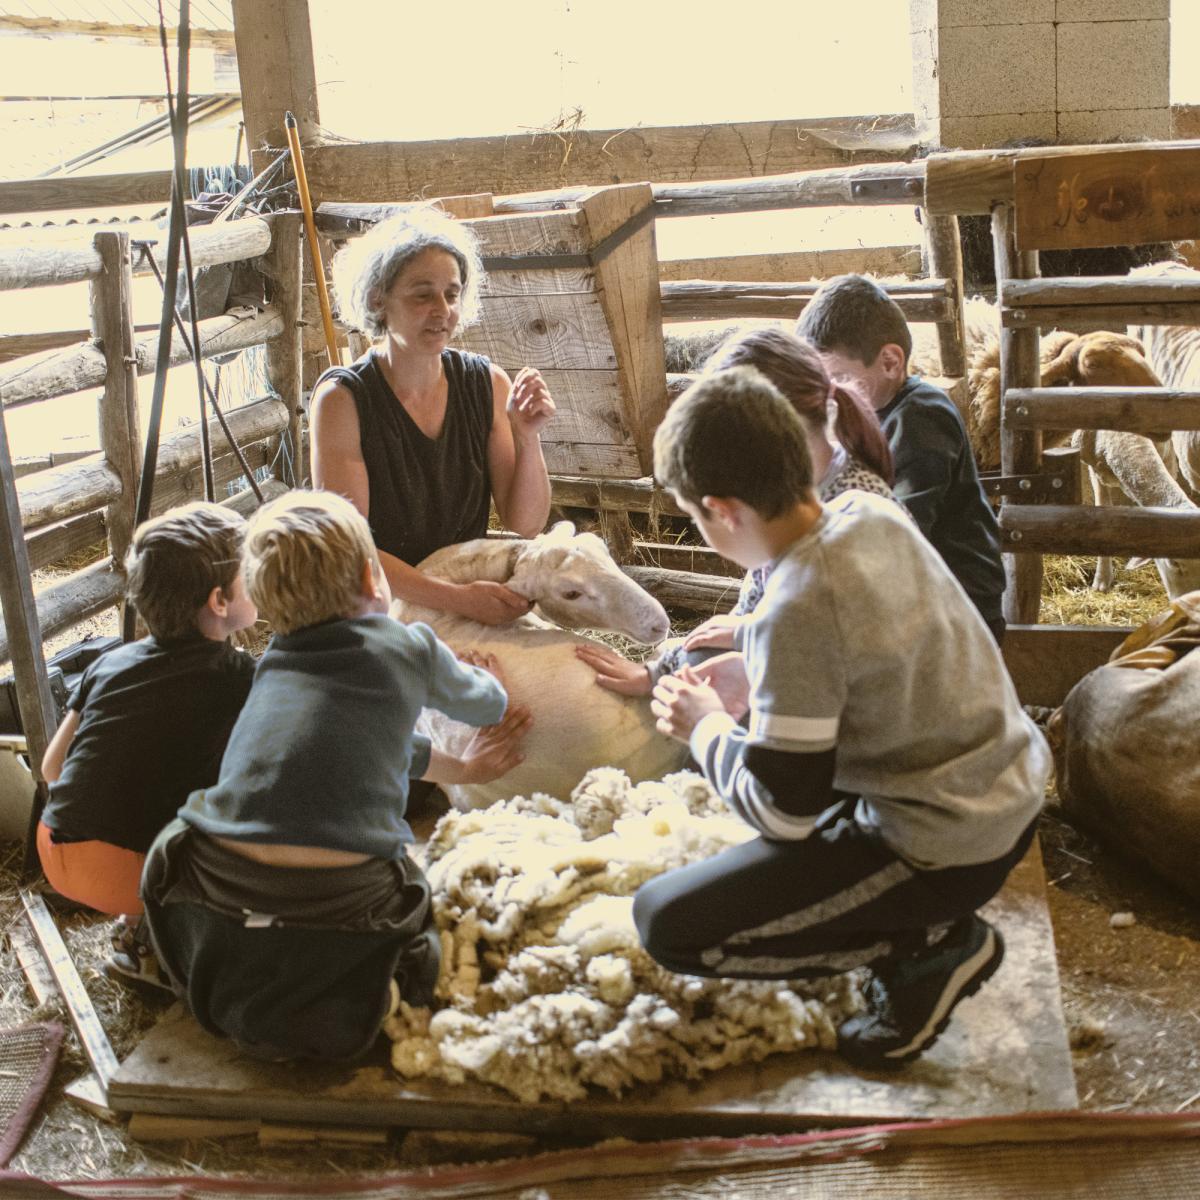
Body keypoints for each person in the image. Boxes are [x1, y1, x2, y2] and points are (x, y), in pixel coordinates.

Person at [639, 367, 1050, 1069]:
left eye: (693, 518)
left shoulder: (796, 603)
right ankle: (919, 927)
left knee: (668, 925)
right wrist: (755, 664)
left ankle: (927, 950)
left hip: (944, 844)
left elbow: (782, 812)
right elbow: (866, 649)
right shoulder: (869, 511)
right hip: (1008, 788)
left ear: (722, 510)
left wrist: (706, 725)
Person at [139, 490, 531, 1063]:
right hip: (347, 893)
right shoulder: (410, 646)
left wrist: (460, 766)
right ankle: (390, 982)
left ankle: (174, 952)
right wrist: (491, 681)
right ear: (375, 583)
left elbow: (381, 747)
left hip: (221, 875)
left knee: (171, 846)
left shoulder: (273, 663)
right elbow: (484, 707)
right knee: (422, 890)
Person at [576, 327, 898, 707]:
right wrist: (659, 670)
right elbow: (755, 601)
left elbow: (850, 647)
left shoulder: (853, 511)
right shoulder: (787, 500)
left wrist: (711, 722)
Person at [37, 502, 259, 984]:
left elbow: (52, 769)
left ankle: (135, 927)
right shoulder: (238, 677)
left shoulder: (111, 662)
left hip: (53, 847)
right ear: (219, 601)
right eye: (253, 572)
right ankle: (163, 948)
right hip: (125, 872)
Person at [311, 206, 556, 626]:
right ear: (378, 299)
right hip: (374, 600)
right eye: (423, 294)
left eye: (452, 293)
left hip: (463, 583)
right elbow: (350, 549)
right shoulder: (343, 400)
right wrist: (460, 600)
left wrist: (527, 436)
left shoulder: (487, 385)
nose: (442, 309)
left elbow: (527, 523)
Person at [796, 274, 1007, 643]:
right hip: (916, 593)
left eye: (840, 377)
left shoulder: (921, 416)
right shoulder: (869, 413)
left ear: (890, 362)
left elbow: (905, 527)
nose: (829, 396)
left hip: (959, 609)